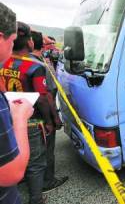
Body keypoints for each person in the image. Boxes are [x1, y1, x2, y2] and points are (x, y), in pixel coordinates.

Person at [2, 21, 55, 204]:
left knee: (15, 154)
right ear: (30, 43)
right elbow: (41, 97)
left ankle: (22, 182)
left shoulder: (4, 61)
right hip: (30, 120)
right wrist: (49, 121)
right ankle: (36, 199)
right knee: (37, 162)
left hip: (9, 118)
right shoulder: (35, 66)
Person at [0, 2, 34, 204]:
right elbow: (11, 173)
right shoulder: (35, 67)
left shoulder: (9, 64)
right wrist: (19, 117)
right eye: (11, 40)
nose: (13, 46)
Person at [31, 31, 68, 193]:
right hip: (41, 117)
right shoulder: (39, 66)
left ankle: (32, 178)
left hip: (24, 116)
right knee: (46, 150)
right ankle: (48, 181)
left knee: (33, 152)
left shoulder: (13, 62)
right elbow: (47, 96)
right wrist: (54, 119)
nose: (52, 48)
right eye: (48, 45)